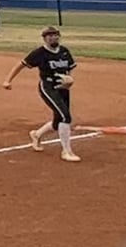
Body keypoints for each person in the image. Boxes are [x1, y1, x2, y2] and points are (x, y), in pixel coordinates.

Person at [6, 25, 82, 162]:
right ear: (45, 38)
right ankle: (67, 151)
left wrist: (69, 80)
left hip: (63, 88)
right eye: (50, 36)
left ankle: (36, 134)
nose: (53, 38)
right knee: (65, 117)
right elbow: (21, 64)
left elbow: (69, 67)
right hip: (48, 87)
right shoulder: (40, 53)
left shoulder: (64, 51)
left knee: (58, 121)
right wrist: (8, 81)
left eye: (55, 35)